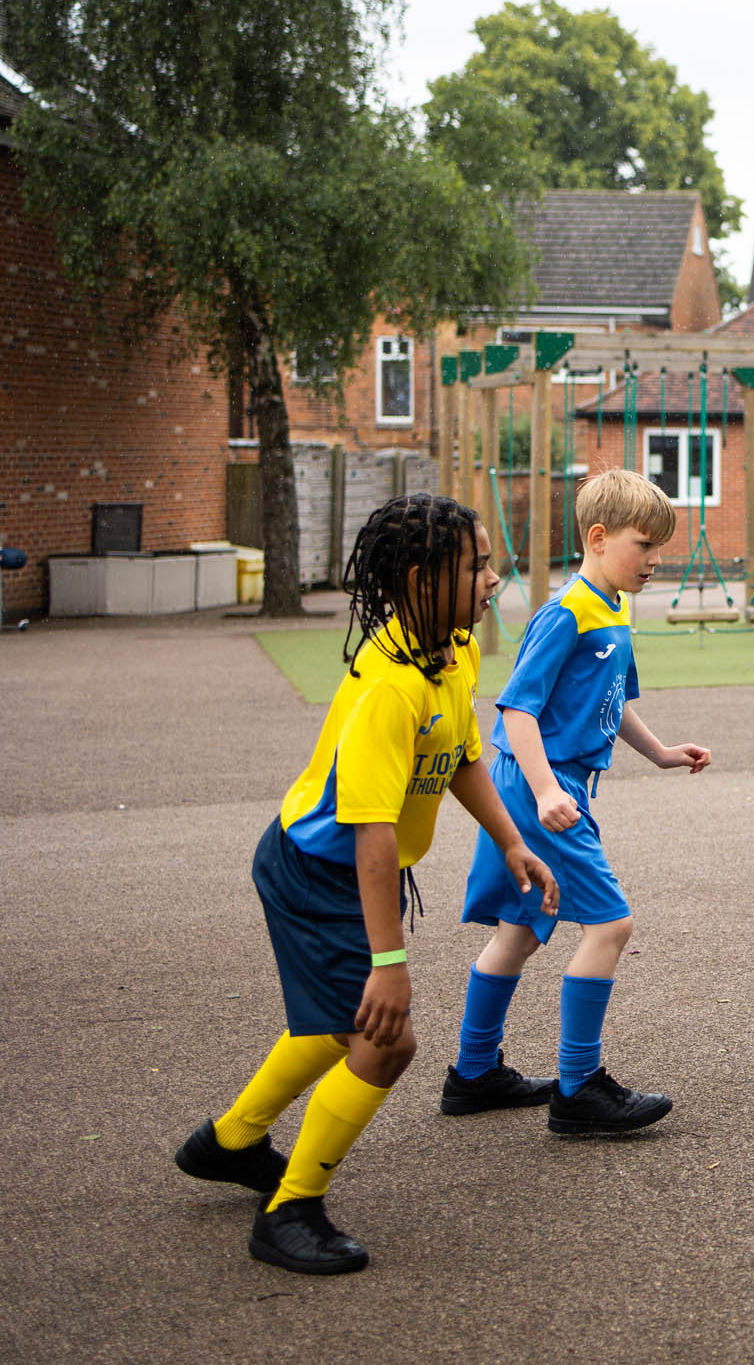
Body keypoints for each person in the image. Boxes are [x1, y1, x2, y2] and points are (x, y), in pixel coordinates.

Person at [175, 495, 560, 1275]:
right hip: (318, 871)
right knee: (386, 1040)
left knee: (340, 1024)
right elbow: (371, 833)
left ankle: (230, 1140)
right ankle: (290, 1209)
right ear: (421, 579)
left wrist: (512, 840)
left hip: (343, 870)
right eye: (475, 565)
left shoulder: (453, 649)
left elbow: (459, 757)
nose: (493, 578)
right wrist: (390, 962)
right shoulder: (388, 684)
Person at [451, 467, 711, 1135]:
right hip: (538, 784)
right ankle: (579, 1088)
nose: (655, 560)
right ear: (598, 538)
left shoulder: (614, 606)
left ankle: (473, 1073)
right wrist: (543, 791)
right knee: (611, 924)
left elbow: (610, 702)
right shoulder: (566, 613)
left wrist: (658, 752)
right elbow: (515, 710)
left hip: (541, 784)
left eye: (660, 548)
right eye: (644, 545)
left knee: (520, 928)